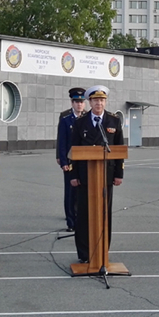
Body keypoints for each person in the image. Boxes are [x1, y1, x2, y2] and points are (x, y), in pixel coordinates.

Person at [68, 85, 123, 264]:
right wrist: (73, 175)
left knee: (105, 214)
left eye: (102, 100)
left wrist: (118, 174)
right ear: (89, 102)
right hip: (85, 177)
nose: (99, 103)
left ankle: (102, 251)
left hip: (105, 176)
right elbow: (73, 151)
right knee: (83, 214)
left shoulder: (114, 121)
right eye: (95, 100)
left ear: (105, 102)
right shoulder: (80, 123)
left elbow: (119, 150)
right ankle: (84, 253)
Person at [56, 87, 86, 232]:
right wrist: (63, 161)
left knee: (82, 192)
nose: (79, 104)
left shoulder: (88, 119)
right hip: (70, 162)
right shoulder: (66, 120)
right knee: (70, 193)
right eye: (76, 102)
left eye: (81, 102)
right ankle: (71, 222)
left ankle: (80, 219)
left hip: (84, 162)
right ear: (72, 103)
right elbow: (62, 142)